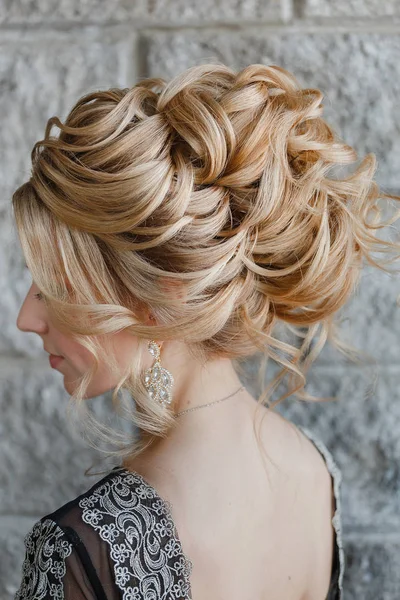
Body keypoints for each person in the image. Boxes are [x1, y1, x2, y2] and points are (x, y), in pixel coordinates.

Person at [11, 62, 400, 600]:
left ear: (155, 302)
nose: (26, 320)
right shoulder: (313, 470)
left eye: (52, 287)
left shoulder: (82, 548)